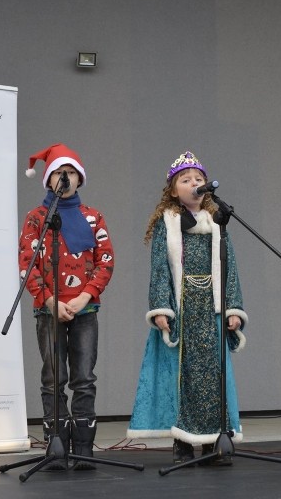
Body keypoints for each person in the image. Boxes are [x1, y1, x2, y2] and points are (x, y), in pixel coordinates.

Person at [126, 151, 248, 466]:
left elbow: (230, 267)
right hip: (183, 310)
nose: (194, 183)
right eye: (186, 179)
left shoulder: (217, 222)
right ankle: (183, 442)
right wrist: (161, 308)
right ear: (172, 190)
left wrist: (233, 307)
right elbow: (160, 270)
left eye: (198, 179)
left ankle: (213, 443)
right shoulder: (168, 224)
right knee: (183, 375)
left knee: (213, 375)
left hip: (211, 310)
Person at [19, 143, 115, 471]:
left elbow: (105, 260)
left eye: (71, 172)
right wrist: (49, 299)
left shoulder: (93, 216)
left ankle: (84, 447)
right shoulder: (36, 218)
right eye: (60, 172)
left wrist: (84, 296)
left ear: (80, 178)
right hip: (48, 310)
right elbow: (27, 263)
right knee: (53, 377)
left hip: (85, 310)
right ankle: (57, 445)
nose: (65, 176)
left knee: (84, 377)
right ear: (48, 179)